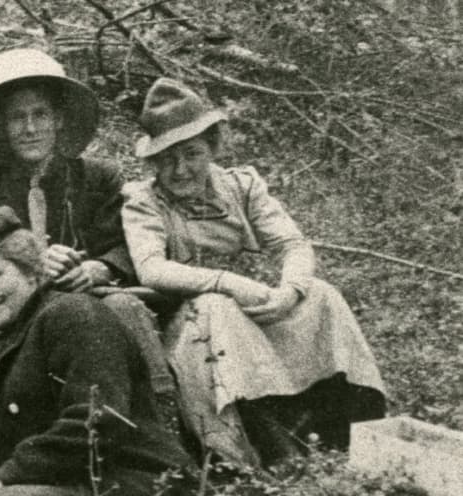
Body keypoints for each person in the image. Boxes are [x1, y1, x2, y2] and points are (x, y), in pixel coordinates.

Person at [121, 78, 388, 466]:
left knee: (321, 295)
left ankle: (349, 432)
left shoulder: (242, 186)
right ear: (153, 163)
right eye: (166, 160)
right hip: (190, 325)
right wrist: (227, 283)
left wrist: (291, 290)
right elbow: (151, 269)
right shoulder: (143, 202)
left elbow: (292, 244)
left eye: (192, 154)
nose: (180, 170)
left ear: (212, 147)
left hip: (257, 307)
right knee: (215, 307)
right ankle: (263, 447)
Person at [0, 206, 194, 496]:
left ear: (31, 271)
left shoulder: (72, 315)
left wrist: (2, 479)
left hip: (133, 480)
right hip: (54, 486)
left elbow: (99, 419)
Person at [0, 48, 175, 395]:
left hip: (99, 302)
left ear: (58, 118)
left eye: (40, 114)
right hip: (20, 319)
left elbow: (131, 243)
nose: (30, 128)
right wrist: (35, 267)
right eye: (17, 117)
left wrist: (97, 269)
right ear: (2, 125)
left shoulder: (99, 178)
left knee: (123, 307)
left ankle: (163, 410)